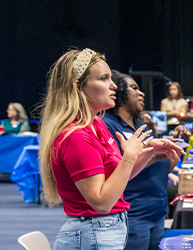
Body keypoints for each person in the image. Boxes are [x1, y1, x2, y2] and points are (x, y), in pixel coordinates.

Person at [39, 49, 182, 250]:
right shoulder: (76, 137)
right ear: (78, 86)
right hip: (92, 233)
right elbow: (101, 202)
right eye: (104, 78)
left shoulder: (96, 125)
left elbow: (118, 178)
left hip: (104, 230)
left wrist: (148, 151)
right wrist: (130, 155)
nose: (113, 85)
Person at [103, 70, 185, 250]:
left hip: (157, 212)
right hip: (132, 213)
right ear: (120, 92)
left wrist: (177, 146)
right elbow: (117, 169)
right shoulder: (109, 125)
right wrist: (154, 154)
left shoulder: (142, 127)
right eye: (134, 88)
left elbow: (165, 167)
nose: (142, 93)